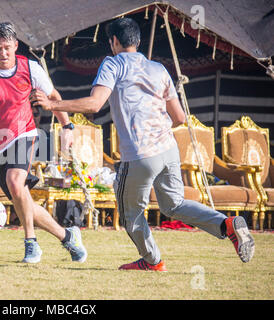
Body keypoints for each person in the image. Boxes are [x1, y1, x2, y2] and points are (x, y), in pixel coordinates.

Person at [30, 17, 255, 271]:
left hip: (139, 154)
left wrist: (53, 105)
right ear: (137, 41)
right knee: (175, 204)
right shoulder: (159, 69)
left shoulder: (112, 64)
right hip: (168, 150)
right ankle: (226, 224)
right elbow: (179, 117)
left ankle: (152, 261)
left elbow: (94, 104)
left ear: (114, 42)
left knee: (129, 213)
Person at [0, 22, 87, 264]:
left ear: (16, 46)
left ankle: (31, 244)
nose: (3, 53)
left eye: (8, 48)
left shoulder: (30, 68)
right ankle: (68, 236)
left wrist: (67, 127)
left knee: (14, 182)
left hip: (24, 134)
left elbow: (54, 98)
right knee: (22, 199)